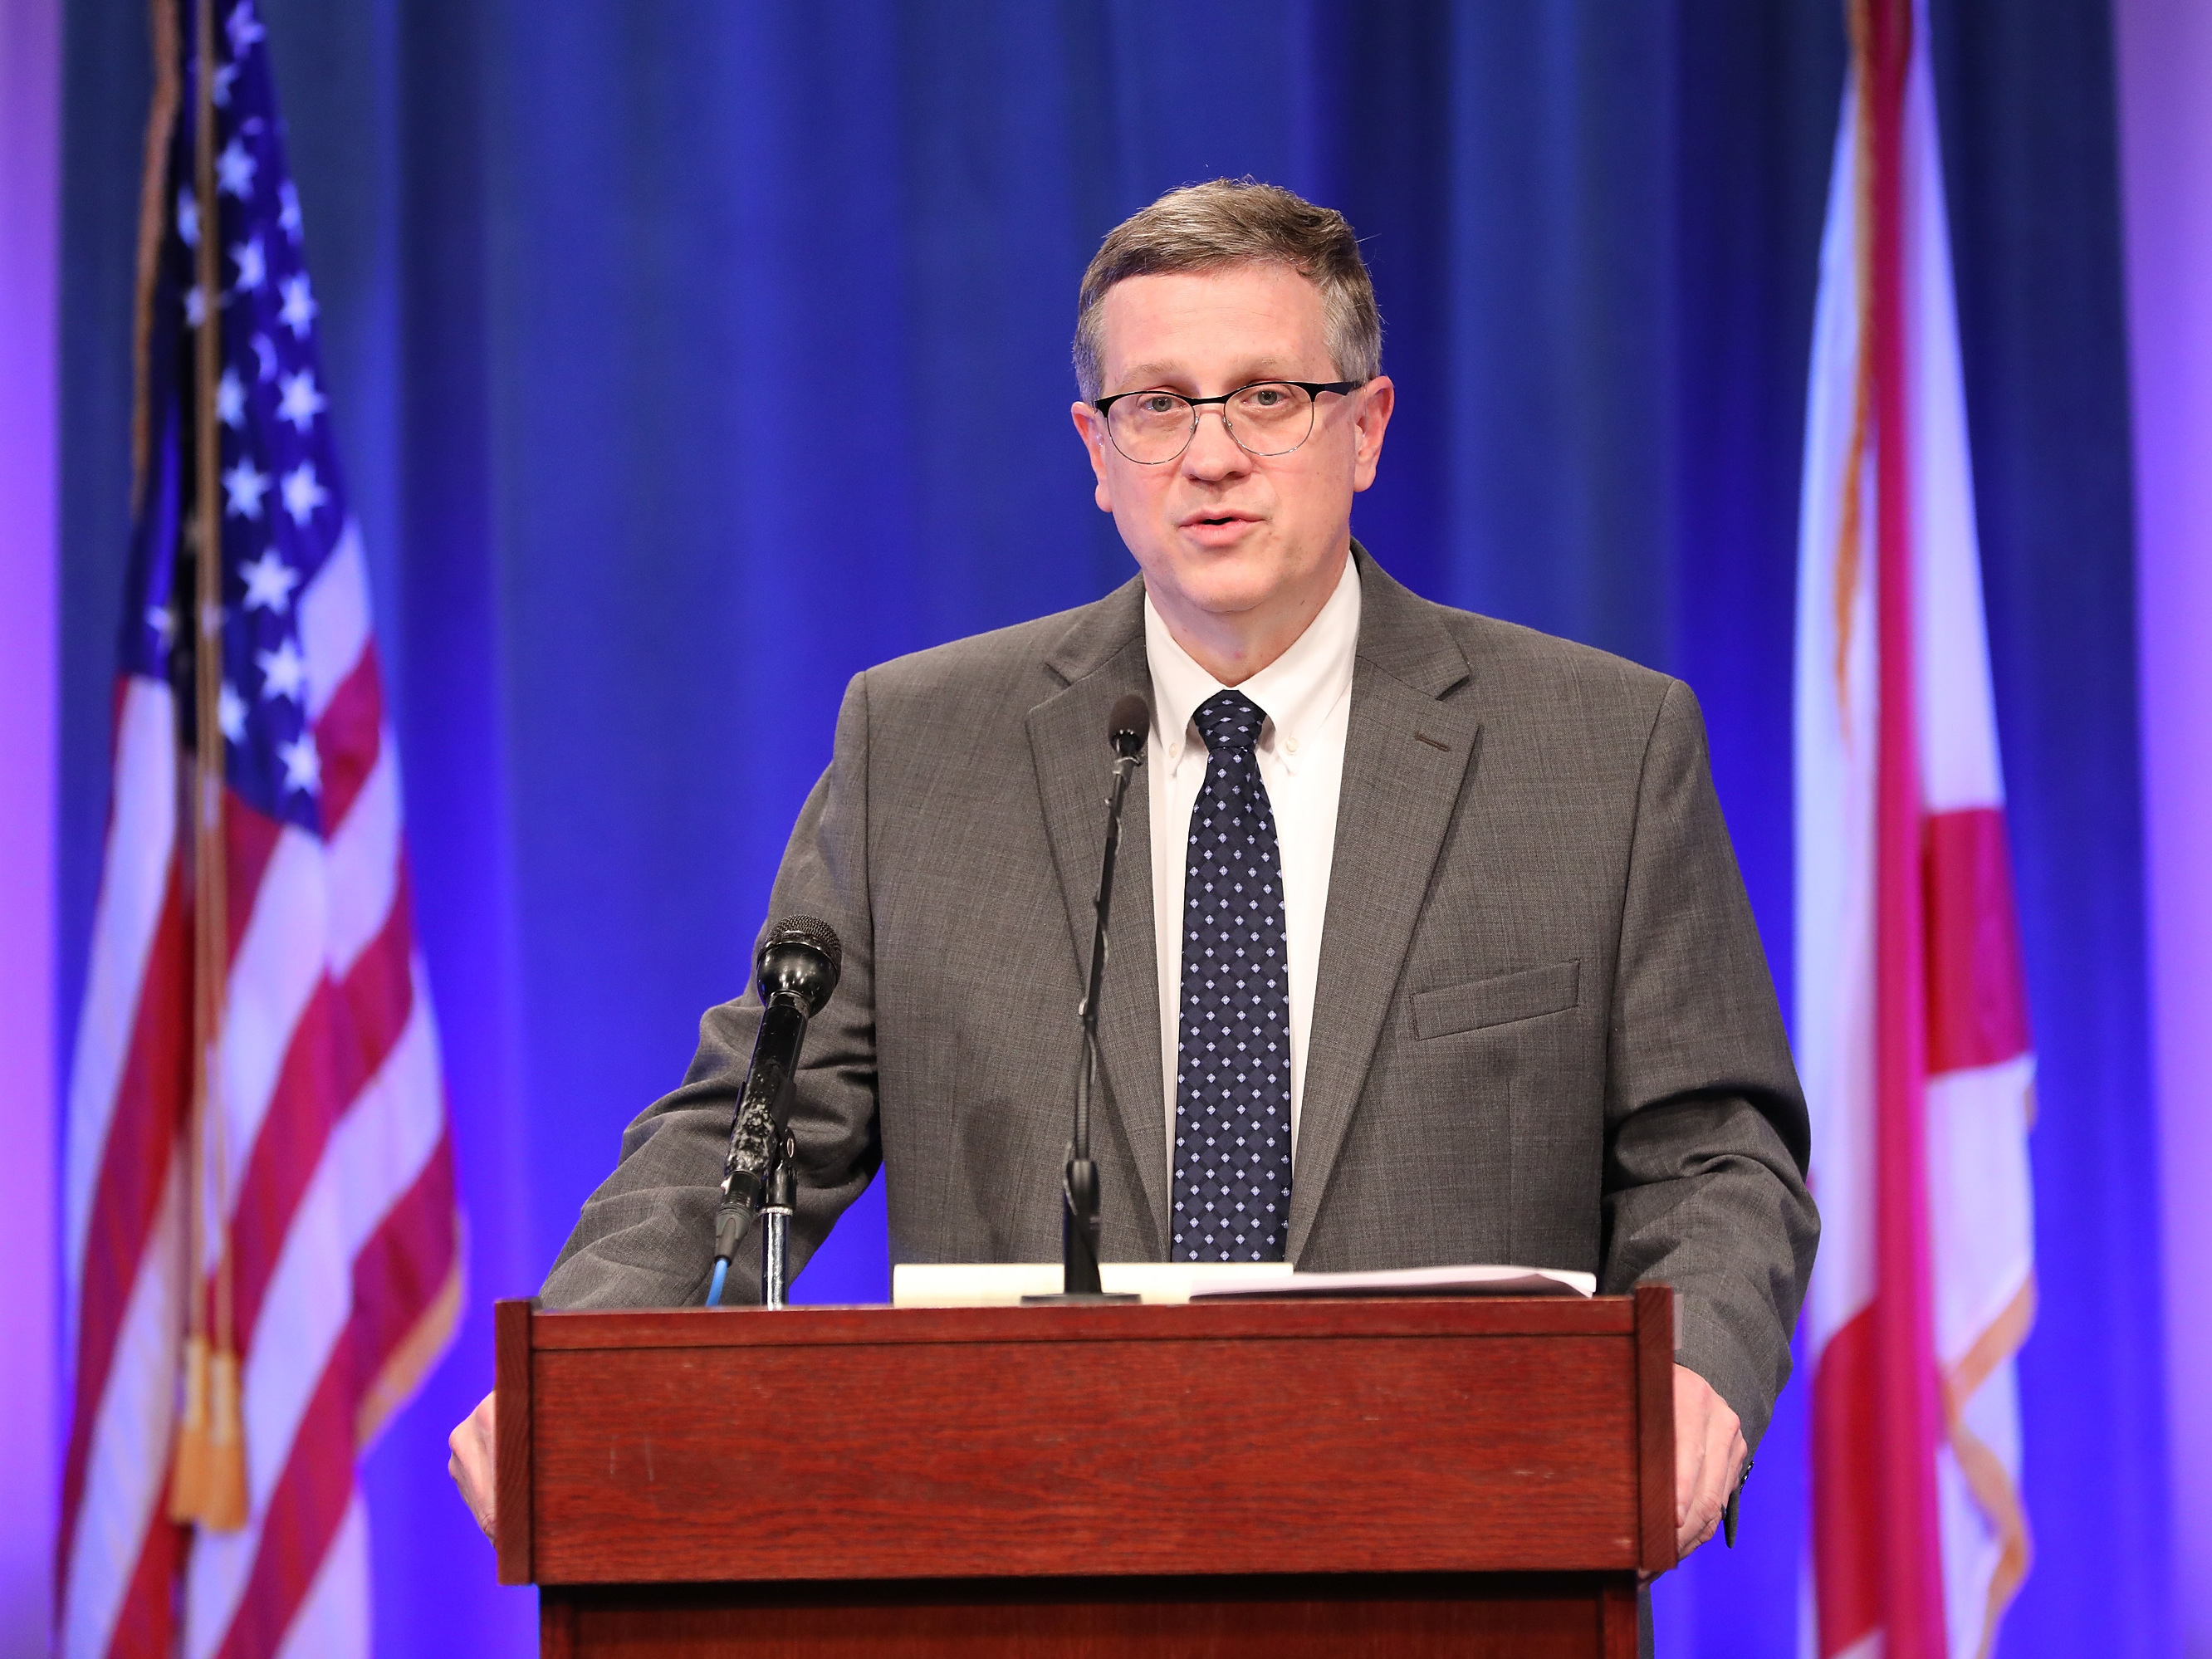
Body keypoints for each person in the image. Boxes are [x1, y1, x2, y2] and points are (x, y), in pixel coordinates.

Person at [448, 179, 1818, 1565]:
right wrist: (570, 1370)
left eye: (1267, 396)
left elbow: (1716, 1153)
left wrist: (1693, 1371)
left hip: (1458, 1550)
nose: (1210, 455)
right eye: (1158, 406)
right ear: (1096, 452)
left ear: (1367, 428)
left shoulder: (1596, 750)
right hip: (1026, 1553)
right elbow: (752, 1129)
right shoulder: (921, 747)